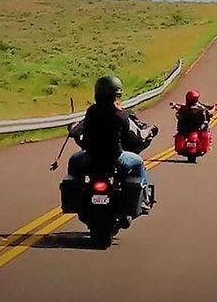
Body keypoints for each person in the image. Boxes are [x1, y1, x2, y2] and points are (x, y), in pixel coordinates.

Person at [66, 76, 157, 208]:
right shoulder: (122, 115)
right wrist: (148, 133)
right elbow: (134, 137)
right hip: (116, 158)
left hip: (90, 157)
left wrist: (72, 130)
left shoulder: (91, 111)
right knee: (139, 163)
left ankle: (75, 196)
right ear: (117, 94)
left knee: (74, 161)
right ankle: (144, 199)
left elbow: (77, 130)